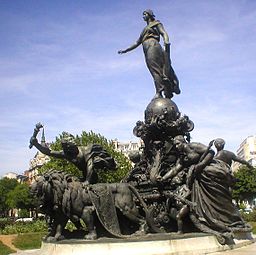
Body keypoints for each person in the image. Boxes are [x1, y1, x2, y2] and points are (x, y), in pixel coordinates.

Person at [118, 9, 180, 99]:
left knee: (155, 70)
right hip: (147, 49)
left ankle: (159, 91)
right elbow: (137, 43)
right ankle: (163, 88)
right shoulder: (144, 30)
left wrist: (166, 41)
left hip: (153, 46)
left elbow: (163, 32)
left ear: (150, 15)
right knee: (154, 70)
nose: (143, 16)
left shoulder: (156, 23)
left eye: (145, 14)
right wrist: (126, 50)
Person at [30, 131, 116, 184]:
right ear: (68, 148)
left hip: (91, 175)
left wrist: (87, 181)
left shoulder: (85, 151)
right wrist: (36, 144)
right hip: (85, 174)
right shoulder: (66, 154)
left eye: (74, 144)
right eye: (71, 146)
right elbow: (49, 152)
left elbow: (90, 166)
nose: (74, 145)